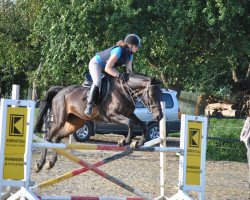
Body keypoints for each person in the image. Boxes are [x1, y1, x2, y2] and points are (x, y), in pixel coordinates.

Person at [84, 33, 141, 117]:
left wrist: (132, 80)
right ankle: (89, 106)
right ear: (130, 45)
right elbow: (107, 68)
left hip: (107, 66)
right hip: (96, 63)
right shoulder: (118, 50)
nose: (137, 48)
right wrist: (119, 75)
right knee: (97, 81)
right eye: (136, 46)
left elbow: (129, 71)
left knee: (116, 82)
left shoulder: (130, 55)